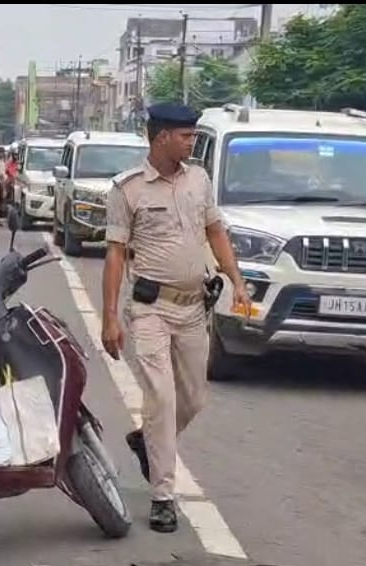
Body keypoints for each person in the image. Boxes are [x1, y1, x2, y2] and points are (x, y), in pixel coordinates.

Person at [101, 102, 251, 533]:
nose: (191, 142)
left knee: (193, 400)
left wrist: (236, 280)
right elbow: (114, 256)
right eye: (185, 135)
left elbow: (215, 231)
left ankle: (145, 441)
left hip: (192, 309)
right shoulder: (127, 189)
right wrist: (110, 318)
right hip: (150, 309)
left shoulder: (198, 179)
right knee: (162, 401)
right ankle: (163, 496)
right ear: (162, 136)